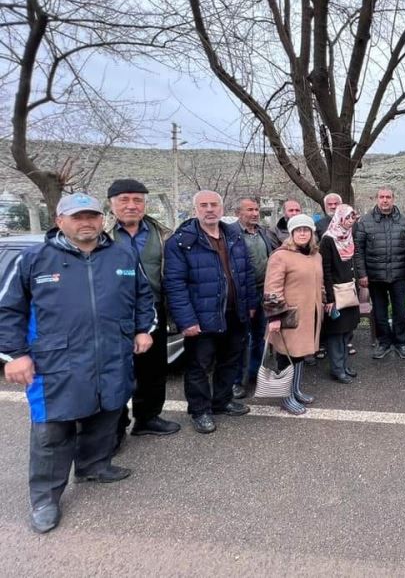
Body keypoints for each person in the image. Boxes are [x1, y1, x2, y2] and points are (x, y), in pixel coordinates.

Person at [0, 193, 156, 534]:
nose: (86, 222)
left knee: (105, 413)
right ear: (60, 220)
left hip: (112, 355)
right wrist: (16, 354)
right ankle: (45, 498)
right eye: (77, 216)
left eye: (92, 216)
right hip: (56, 361)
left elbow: (143, 295)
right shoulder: (35, 259)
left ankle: (93, 466)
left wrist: (143, 328)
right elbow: (9, 309)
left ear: (102, 219)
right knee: (52, 432)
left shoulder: (122, 253)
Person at [164, 190, 257, 434]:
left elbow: (246, 273)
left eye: (214, 204)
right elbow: (174, 284)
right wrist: (186, 320)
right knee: (199, 366)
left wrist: (250, 305)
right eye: (203, 205)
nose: (209, 209)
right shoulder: (181, 241)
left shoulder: (234, 236)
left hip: (234, 313)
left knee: (229, 361)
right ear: (195, 209)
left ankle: (222, 401)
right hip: (201, 316)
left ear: (222, 208)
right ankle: (200, 411)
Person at [106, 179, 181, 444]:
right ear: (111, 204)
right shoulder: (102, 235)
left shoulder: (161, 234)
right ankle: (114, 427)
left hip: (153, 311)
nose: (131, 205)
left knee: (153, 369)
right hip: (112, 314)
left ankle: (147, 418)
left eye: (137, 200)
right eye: (124, 200)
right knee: (115, 374)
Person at [264, 214, 324, 412]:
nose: (302, 233)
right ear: (291, 233)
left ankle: (295, 390)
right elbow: (272, 288)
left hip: (310, 314)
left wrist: (323, 300)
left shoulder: (316, 255)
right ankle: (286, 397)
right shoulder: (281, 255)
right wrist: (274, 317)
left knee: (300, 355)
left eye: (306, 229)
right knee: (286, 356)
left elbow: (319, 283)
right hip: (288, 316)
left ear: (312, 233)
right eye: (298, 230)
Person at [229, 196, 279, 399]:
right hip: (242, 295)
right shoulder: (230, 234)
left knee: (260, 336)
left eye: (256, 209)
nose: (254, 213)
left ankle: (255, 374)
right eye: (249, 209)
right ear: (238, 213)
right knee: (241, 339)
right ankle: (236, 381)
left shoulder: (263, 232)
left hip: (263, 292)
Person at [354, 187, 405, 359]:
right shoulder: (365, 222)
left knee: (400, 312)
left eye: (388, 197)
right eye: (382, 197)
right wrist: (363, 274)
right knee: (379, 312)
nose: (385, 200)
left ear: (393, 199)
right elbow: (358, 250)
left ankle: (400, 343)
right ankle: (384, 342)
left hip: (399, 275)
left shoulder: (403, 221)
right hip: (375, 276)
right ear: (377, 199)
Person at [320, 205, 360, 383]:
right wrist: (329, 298)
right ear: (340, 217)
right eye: (348, 217)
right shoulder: (328, 239)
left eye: (353, 217)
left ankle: (344, 365)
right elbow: (325, 270)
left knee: (346, 331)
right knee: (336, 332)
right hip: (336, 293)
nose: (351, 220)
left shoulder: (348, 236)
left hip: (349, 292)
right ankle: (337, 369)